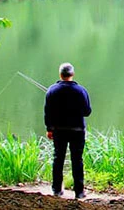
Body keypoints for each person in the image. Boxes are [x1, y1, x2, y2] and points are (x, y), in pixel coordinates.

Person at [44, 62, 92, 199]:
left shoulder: (52, 90)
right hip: (77, 130)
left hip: (59, 130)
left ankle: (57, 190)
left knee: (58, 158)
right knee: (77, 160)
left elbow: (48, 112)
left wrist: (49, 129)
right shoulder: (81, 91)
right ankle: (79, 192)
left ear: (60, 74)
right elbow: (87, 112)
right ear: (72, 74)